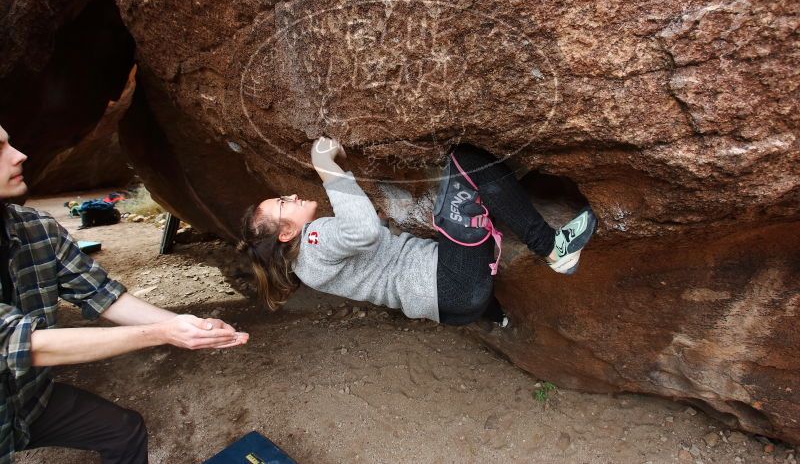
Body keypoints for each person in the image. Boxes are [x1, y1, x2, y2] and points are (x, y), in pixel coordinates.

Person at [0, 124, 249, 464]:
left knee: (123, 430)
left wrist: (186, 324)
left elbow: (103, 294)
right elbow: (24, 345)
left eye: (10, 143)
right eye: (0, 149)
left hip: (29, 401)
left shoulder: (36, 229)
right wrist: (161, 334)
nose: (20, 155)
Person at [239, 137, 596, 326]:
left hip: (451, 310)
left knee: (452, 260)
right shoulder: (315, 240)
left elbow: (368, 241)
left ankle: (497, 318)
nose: (292, 196)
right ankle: (552, 247)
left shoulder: (306, 266)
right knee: (467, 161)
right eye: (283, 203)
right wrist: (325, 167)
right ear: (285, 234)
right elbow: (362, 230)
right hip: (451, 284)